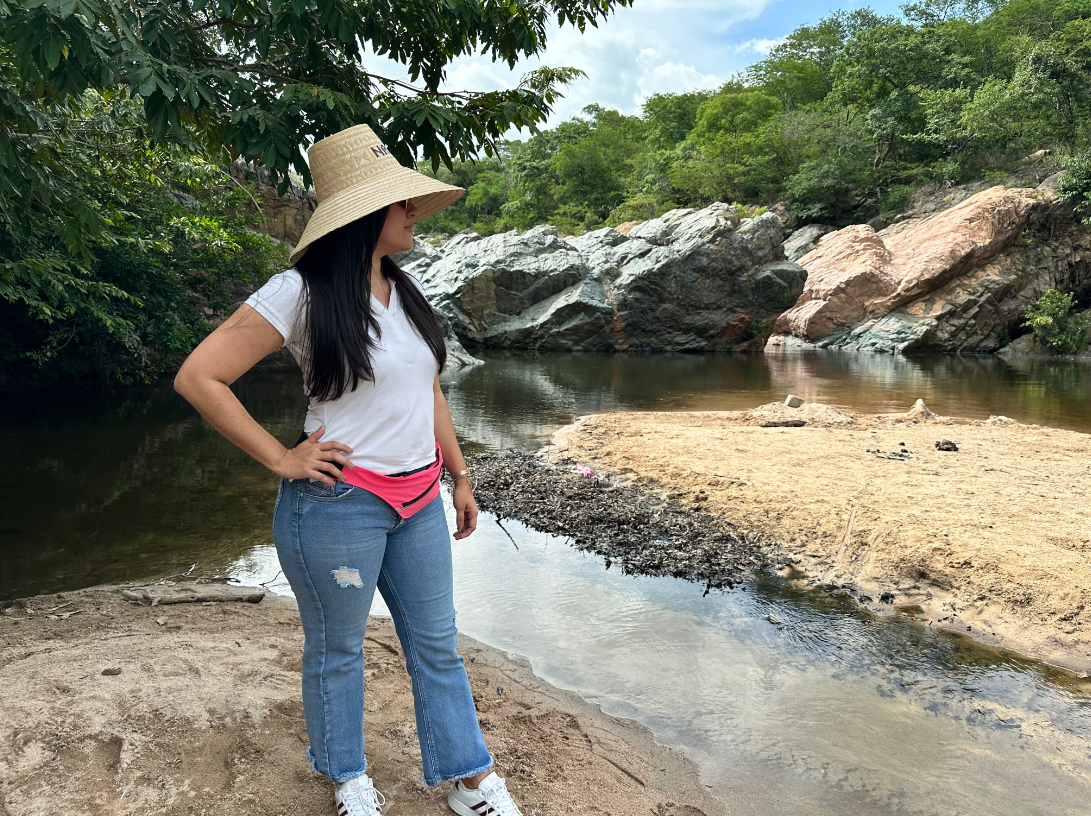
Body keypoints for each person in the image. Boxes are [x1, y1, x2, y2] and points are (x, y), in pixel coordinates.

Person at [174, 124, 523, 816]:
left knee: (437, 644)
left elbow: (426, 391)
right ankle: (349, 779)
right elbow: (200, 376)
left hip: (419, 500)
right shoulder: (298, 292)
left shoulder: (405, 291)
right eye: (402, 203)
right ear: (365, 214)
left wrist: (459, 476)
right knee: (338, 649)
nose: (414, 212)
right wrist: (282, 457)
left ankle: (471, 780)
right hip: (339, 503)